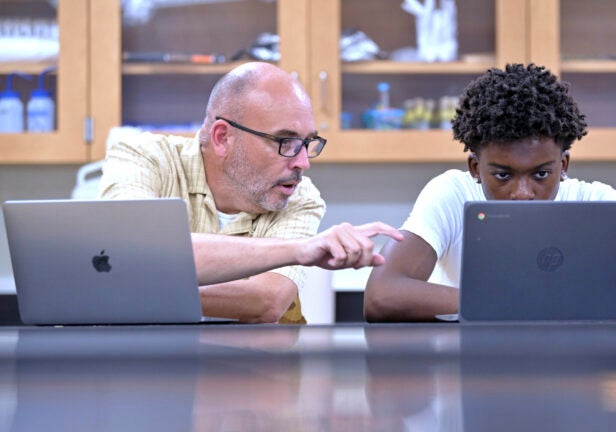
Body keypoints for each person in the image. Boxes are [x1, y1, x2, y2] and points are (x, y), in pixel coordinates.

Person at [364, 63, 616, 322]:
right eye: (502, 175)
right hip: (478, 375)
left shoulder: (599, 207)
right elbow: (382, 296)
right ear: (475, 168)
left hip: (582, 382)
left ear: (564, 165)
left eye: (541, 174)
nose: (522, 193)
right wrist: (534, 303)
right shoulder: (450, 194)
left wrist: (608, 302)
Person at [100, 62, 402, 324]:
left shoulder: (300, 197)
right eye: (284, 141)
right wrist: (300, 249)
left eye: (308, 142)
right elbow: (134, 249)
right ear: (223, 138)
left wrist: (136, 286)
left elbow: (266, 302)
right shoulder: (143, 156)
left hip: (256, 379)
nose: (303, 162)